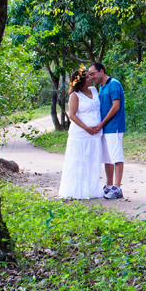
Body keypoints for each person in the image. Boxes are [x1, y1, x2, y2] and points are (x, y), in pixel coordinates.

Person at [58, 66, 107, 200]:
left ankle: (92, 188)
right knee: (79, 161)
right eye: (86, 77)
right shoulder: (75, 95)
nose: (90, 78)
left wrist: (98, 126)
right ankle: (77, 190)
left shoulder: (94, 91)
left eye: (89, 76)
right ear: (79, 81)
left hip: (96, 133)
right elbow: (72, 115)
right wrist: (86, 128)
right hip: (81, 134)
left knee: (93, 159)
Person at [87, 61, 126, 199]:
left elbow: (115, 106)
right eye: (90, 75)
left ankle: (117, 187)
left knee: (116, 156)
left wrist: (102, 123)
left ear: (101, 71)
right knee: (107, 158)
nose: (92, 77)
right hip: (105, 128)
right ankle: (109, 185)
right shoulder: (102, 87)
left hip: (113, 126)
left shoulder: (113, 84)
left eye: (93, 73)